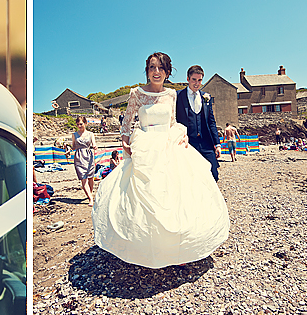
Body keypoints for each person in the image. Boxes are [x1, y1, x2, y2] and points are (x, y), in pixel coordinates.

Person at [92, 52, 229, 269]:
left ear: (167, 72)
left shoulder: (171, 94)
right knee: (143, 196)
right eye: (152, 68)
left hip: (168, 145)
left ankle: (179, 247)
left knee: (177, 194)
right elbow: (127, 122)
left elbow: (173, 121)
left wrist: (182, 134)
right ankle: (145, 247)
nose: (156, 72)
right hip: (145, 145)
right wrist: (125, 144)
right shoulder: (137, 93)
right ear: (147, 71)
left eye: (161, 68)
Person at [176, 65, 221, 181]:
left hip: (206, 143)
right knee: (190, 176)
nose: (197, 83)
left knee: (213, 175)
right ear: (188, 79)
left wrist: (217, 144)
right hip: (188, 143)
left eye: (199, 80)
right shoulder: (177, 96)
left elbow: (211, 122)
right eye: (194, 80)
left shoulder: (206, 97)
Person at [72, 116, 97, 206]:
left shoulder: (90, 134)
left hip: (89, 156)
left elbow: (94, 143)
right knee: (83, 178)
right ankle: (90, 198)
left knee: (90, 177)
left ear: (85, 123)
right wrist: (67, 147)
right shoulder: (74, 135)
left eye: (81, 124)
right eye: (78, 124)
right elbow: (73, 146)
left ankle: (89, 193)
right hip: (79, 157)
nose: (79, 126)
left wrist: (94, 146)